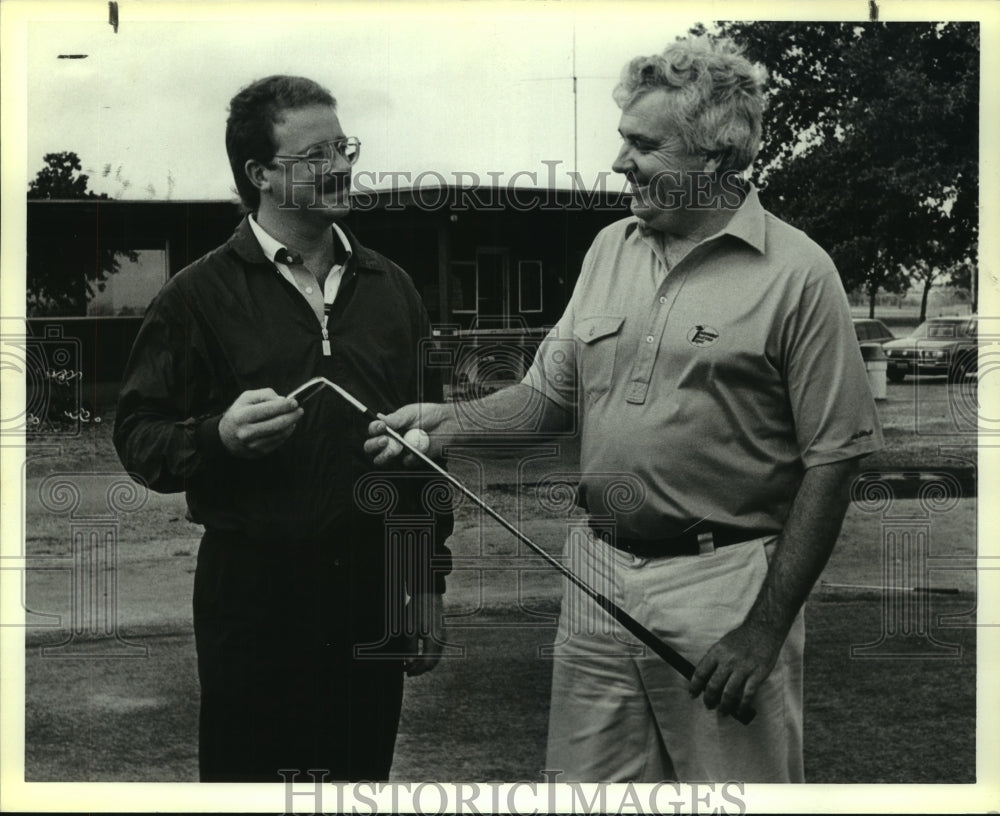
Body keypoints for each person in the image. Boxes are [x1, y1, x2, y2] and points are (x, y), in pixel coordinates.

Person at [366, 36, 883, 782]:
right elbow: (546, 398)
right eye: (622, 140)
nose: (619, 163)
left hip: (723, 584)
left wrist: (763, 630)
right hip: (595, 573)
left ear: (713, 156)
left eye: (643, 144)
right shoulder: (609, 247)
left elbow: (835, 459)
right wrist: (449, 423)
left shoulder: (800, 274)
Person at [114, 75, 452, 782]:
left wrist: (422, 589)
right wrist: (216, 440)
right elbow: (139, 438)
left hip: (371, 588)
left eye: (343, 146)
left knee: (358, 783)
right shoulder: (197, 295)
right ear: (260, 173)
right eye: (314, 154)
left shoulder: (392, 288)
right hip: (254, 598)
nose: (340, 166)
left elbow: (427, 460)